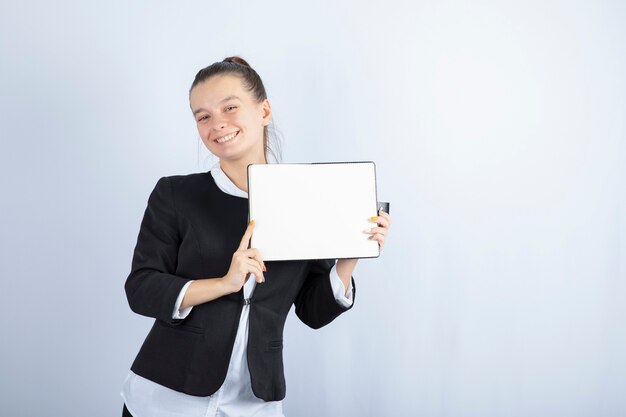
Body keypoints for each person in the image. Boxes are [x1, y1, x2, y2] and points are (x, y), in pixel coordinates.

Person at [120, 56, 392, 417]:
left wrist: (350, 255)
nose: (217, 125)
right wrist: (224, 283)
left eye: (230, 108)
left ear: (264, 111)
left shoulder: (306, 198)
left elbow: (312, 311)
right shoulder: (175, 194)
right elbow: (141, 289)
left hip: (254, 401)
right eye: (203, 116)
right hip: (167, 397)